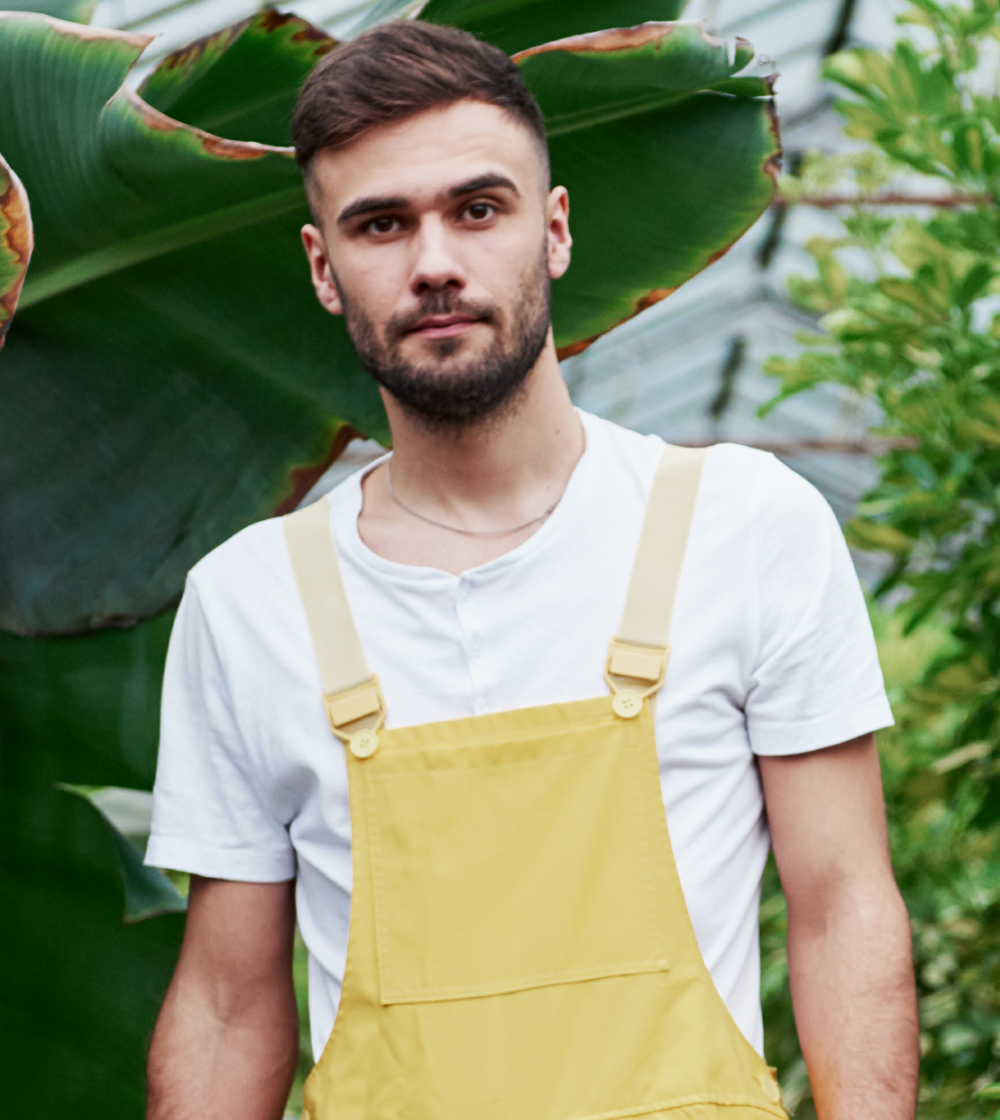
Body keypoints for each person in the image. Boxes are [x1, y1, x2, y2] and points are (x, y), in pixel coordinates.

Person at [144, 20, 918, 1120]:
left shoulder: (743, 526)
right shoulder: (249, 603)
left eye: (477, 208)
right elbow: (228, 1005)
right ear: (323, 268)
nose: (435, 264)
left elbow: (843, 909)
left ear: (553, 230)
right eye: (381, 224)